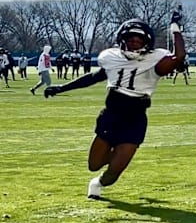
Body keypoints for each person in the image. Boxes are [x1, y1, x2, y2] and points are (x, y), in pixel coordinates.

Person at [43, 14, 186, 199]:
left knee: (113, 174)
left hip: (135, 119)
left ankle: (98, 183)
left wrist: (175, 27)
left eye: (139, 39)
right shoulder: (112, 58)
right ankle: (114, 155)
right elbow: (94, 77)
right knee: (93, 164)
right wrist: (62, 88)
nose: (134, 43)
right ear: (122, 40)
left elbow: (180, 54)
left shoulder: (155, 61)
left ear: (147, 42)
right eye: (130, 39)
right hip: (111, 116)